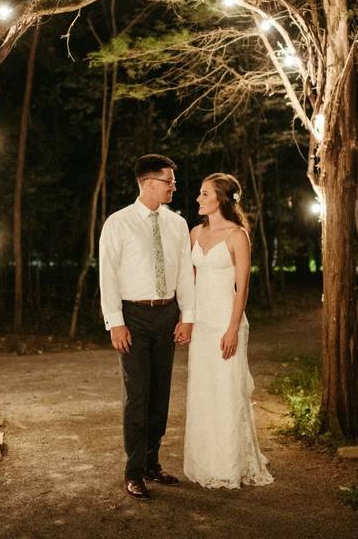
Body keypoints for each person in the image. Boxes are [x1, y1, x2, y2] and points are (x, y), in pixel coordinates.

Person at [99, 154, 195, 500]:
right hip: (133, 317)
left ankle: (153, 462)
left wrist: (188, 316)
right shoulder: (118, 223)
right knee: (137, 395)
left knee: (160, 394)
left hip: (167, 314)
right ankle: (134, 470)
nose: (174, 186)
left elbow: (185, 273)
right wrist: (116, 322)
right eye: (169, 181)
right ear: (149, 182)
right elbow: (107, 275)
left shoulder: (177, 225)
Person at [183, 173, 273, 489]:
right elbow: (190, 283)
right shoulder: (194, 233)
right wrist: (187, 320)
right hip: (203, 324)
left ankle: (231, 461)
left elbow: (242, 286)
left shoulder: (238, 236)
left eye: (204, 193)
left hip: (226, 321)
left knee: (226, 390)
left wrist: (232, 328)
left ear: (220, 198)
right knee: (203, 390)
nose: (198, 198)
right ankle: (205, 460)